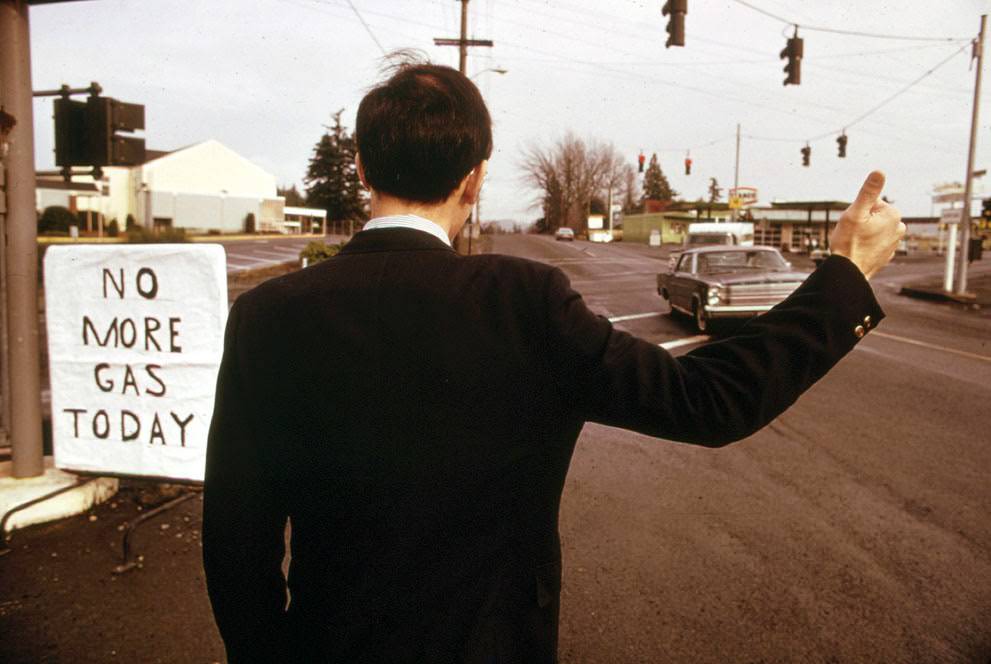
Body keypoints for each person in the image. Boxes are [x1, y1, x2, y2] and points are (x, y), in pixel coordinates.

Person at [202, 61, 904, 663]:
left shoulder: (269, 315)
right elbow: (709, 401)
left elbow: (236, 535)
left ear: (360, 166)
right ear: (475, 179)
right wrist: (843, 273)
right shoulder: (522, 301)